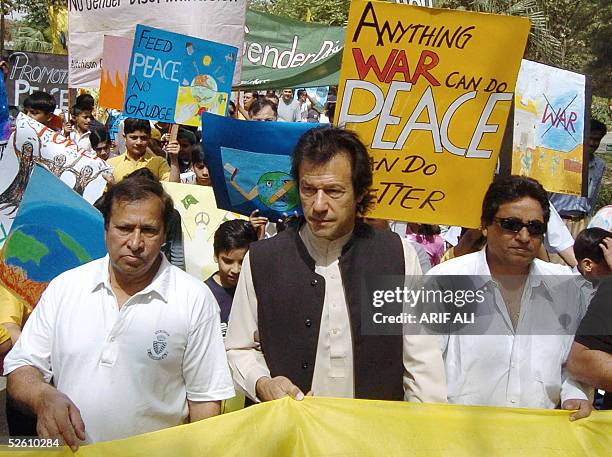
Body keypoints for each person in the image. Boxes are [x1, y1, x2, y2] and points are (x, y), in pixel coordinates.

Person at [4, 173, 234, 448]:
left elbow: (206, 401)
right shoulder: (65, 288)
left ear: (163, 234)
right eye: (124, 228)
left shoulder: (194, 299)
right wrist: (41, 396)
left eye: (148, 230)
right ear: (106, 229)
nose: (136, 243)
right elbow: (21, 366)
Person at [225, 127, 446, 403]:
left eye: (333, 191)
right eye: (308, 190)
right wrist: (262, 383)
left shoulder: (395, 257)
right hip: (291, 436)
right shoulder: (263, 260)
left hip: (372, 436)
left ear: (359, 193)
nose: (318, 205)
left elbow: (422, 364)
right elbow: (238, 348)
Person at [428, 175, 591, 420]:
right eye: (511, 225)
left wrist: (574, 394)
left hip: (540, 440)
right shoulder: (445, 279)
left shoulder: (567, 287)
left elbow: (574, 367)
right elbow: (424, 370)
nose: (524, 237)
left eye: (535, 228)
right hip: (460, 437)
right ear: (484, 225)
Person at [549, 119, 607, 242]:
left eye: (596, 139)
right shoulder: (560, 159)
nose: (592, 143)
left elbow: (593, 197)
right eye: (588, 138)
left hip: (582, 222)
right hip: (557, 221)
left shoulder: (599, 165)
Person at [205, 220, 258, 337]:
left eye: (242, 262)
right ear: (215, 255)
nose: (235, 270)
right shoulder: (204, 294)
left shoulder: (257, 289)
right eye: (228, 261)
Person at [107, 118, 180, 183]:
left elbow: (173, 187)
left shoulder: (159, 163)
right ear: (124, 137)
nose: (139, 142)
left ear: (149, 138)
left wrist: (174, 159)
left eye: (143, 138)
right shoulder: (111, 164)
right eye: (134, 138)